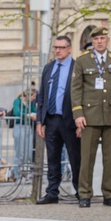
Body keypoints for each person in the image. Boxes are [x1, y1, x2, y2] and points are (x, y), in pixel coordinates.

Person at [71, 27, 111, 208]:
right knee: (87, 158)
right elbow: (76, 89)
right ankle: (85, 195)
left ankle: (109, 194)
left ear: (107, 40)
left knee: (110, 158)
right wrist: (78, 114)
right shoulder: (82, 60)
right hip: (89, 116)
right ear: (92, 41)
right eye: (96, 38)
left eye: (102, 38)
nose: (99, 41)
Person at [35, 35, 81, 204]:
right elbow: (42, 96)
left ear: (69, 48)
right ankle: (52, 192)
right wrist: (40, 121)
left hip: (70, 120)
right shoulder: (49, 68)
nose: (58, 50)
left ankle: (80, 191)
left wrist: (80, 122)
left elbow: (82, 96)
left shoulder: (77, 67)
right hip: (51, 120)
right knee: (53, 158)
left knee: (76, 158)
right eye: (55, 47)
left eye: (61, 47)